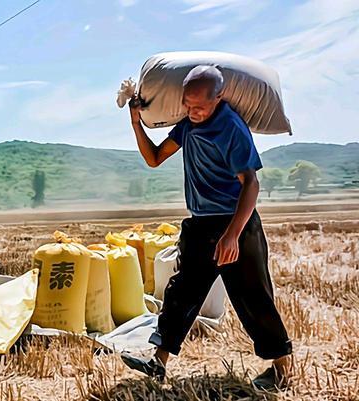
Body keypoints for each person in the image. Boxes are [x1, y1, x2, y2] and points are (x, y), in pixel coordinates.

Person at [122, 65, 292, 391]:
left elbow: (251, 184)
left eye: (199, 106)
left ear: (219, 97)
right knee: (181, 292)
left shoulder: (231, 128)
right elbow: (155, 158)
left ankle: (282, 369)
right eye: (188, 104)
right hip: (200, 225)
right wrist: (135, 123)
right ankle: (158, 361)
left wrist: (232, 236)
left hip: (236, 224)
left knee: (253, 298)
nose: (193, 111)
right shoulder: (188, 126)